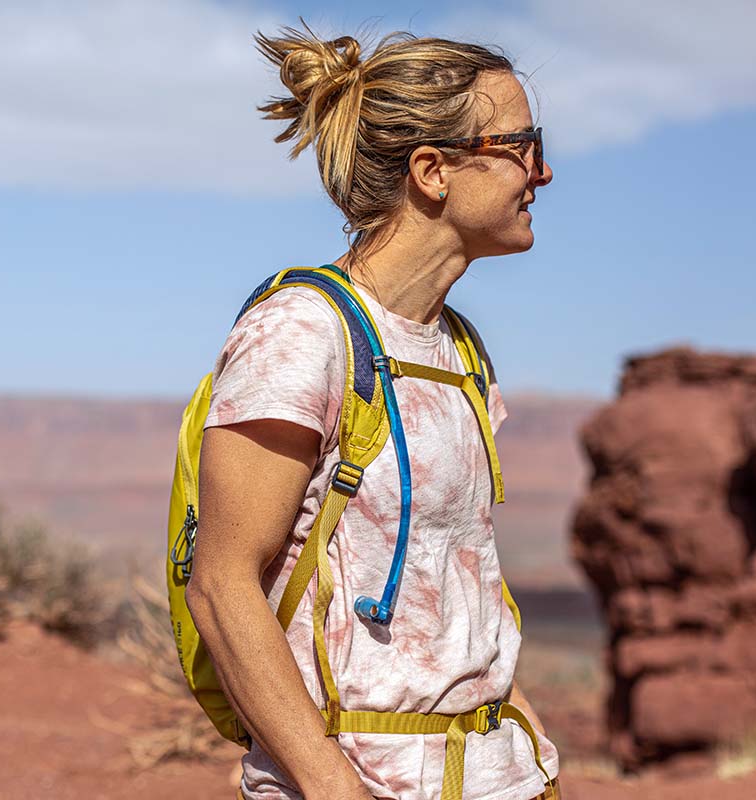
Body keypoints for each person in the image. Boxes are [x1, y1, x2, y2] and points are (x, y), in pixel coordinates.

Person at [184, 23, 557, 800]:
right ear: (433, 170)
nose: (543, 172)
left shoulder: (460, 348)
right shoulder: (301, 331)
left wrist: (528, 745)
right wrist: (330, 789)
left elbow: (464, 583)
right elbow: (222, 584)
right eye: (523, 144)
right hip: (358, 782)